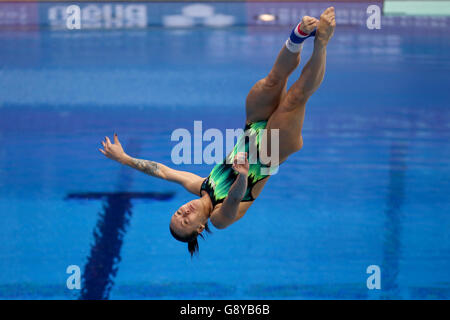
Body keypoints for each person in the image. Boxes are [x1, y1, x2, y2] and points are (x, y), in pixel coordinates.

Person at [99, 8, 336, 256]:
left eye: (178, 213)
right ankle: (322, 42)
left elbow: (163, 171)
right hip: (272, 149)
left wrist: (124, 159)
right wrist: (243, 177)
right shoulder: (218, 220)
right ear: (200, 228)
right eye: (185, 221)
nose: (184, 213)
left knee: (272, 81)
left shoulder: (200, 186)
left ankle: (299, 35)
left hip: (252, 125)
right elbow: (233, 202)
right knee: (295, 97)